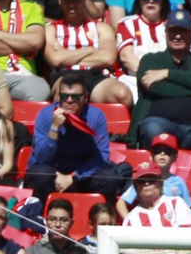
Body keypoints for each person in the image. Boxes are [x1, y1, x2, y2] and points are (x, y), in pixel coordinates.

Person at [24, 73, 124, 203]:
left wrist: (73, 177)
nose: (69, 101)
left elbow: (102, 157)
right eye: (64, 96)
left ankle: (101, 214)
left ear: (85, 97)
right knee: (40, 174)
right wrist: (54, 128)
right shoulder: (45, 115)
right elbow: (41, 159)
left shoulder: (96, 116)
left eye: (75, 97)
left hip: (82, 175)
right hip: (53, 174)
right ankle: (37, 214)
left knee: (108, 177)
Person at [133, 7, 191, 150]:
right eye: (173, 31)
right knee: (152, 129)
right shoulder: (151, 60)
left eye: (183, 31)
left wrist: (167, 74)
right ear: (166, 32)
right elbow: (155, 87)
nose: (178, 36)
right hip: (161, 123)